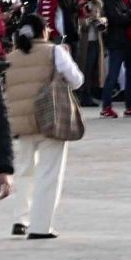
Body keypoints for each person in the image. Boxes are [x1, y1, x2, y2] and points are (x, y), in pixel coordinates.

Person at [3, 18, 83, 239]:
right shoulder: (54, 51)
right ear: (43, 31)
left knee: (24, 171)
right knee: (48, 174)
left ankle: (21, 219)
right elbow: (77, 81)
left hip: (20, 121)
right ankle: (40, 226)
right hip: (49, 119)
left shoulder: (10, 57)